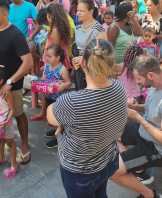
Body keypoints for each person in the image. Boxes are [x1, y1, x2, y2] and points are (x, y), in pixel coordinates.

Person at [47, 39, 128, 198]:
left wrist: (63, 125)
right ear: (112, 65)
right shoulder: (119, 88)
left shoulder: (71, 101)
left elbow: (51, 115)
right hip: (107, 161)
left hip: (80, 173)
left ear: (82, 63)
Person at [109, 55, 162, 198]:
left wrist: (137, 117)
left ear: (151, 75)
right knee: (109, 133)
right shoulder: (160, 83)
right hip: (144, 132)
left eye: (139, 79)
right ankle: (138, 170)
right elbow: (154, 109)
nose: (138, 83)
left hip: (158, 149)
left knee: (112, 171)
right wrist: (137, 107)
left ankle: (150, 195)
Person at [0, 0, 33, 164]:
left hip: (13, 85)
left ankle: (25, 145)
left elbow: (28, 62)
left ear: (4, 14)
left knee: (17, 113)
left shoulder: (16, 35)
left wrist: (10, 82)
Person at [29, 3, 72, 122]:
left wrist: (49, 68)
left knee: (49, 91)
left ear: (49, 15)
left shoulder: (55, 30)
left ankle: (48, 115)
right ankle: (48, 114)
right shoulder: (58, 27)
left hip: (55, 66)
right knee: (49, 91)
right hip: (55, 65)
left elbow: (56, 51)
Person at [6, 0, 41, 81]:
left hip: (26, 37)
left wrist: (30, 37)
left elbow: (39, 23)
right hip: (11, 39)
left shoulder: (29, 6)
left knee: (31, 47)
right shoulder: (8, 8)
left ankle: (33, 72)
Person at [39, 45, 72, 149]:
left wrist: (64, 85)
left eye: (49, 56)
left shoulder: (62, 69)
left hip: (59, 98)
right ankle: (56, 129)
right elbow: (45, 77)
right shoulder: (47, 67)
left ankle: (59, 137)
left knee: (58, 118)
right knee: (52, 116)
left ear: (57, 57)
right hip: (49, 96)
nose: (47, 58)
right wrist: (42, 78)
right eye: (47, 56)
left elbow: (69, 82)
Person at [72, 0, 107, 90]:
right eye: (78, 10)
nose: (78, 13)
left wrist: (84, 58)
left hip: (92, 72)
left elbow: (103, 53)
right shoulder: (78, 28)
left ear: (91, 11)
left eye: (81, 11)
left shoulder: (98, 30)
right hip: (78, 71)